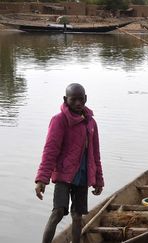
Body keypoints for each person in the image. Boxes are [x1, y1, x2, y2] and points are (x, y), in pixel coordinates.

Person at [34, 83, 104, 243]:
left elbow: (95, 154)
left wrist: (98, 179)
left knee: (77, 216)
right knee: (58, 212)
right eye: (73, 100)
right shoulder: (59, 121)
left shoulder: (91, 123)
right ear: (66, 100)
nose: (78, 103)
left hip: (83, 176)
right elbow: (50, 152)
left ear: (86, 98)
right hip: (64, 175)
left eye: (81, 99)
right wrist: (41, 180)